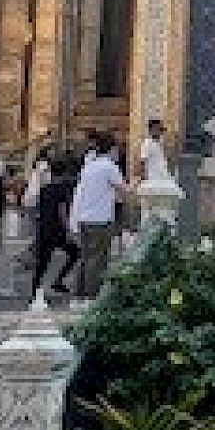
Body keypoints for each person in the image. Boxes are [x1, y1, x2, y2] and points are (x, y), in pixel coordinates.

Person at [71, 132, 129, 309]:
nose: (118, 153)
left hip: (84, 218)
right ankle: (91, 296)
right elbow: (123, 191)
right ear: (111, 149)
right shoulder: (109, 167)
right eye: (117, 149)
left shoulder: (89, 166)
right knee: (97, 259)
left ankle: (78, 295)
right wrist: (135, 184)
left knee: (85, 257)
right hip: (100, 220)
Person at [30, 155, 80, 301]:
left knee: (42, 261)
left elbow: (37, 209)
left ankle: (35, 290)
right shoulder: (66, 188)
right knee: (75, 253)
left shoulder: (45, 189)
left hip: (44, 228)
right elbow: (62, 209)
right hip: (58, 229)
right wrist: (68, 229)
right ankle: (59, 279)